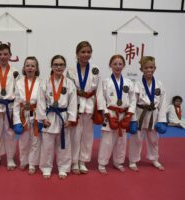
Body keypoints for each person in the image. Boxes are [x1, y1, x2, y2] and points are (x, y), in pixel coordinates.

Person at [37, 55, 77, 179]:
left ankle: (63, 168)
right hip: (49, 116)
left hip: (63, 116)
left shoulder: (69, 83)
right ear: (51, 66)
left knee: (64, 144)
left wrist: (71, 119)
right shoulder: (44, 82)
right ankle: (46, 167)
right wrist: (43, 118)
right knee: (47, 144)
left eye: (61, 65)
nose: (58, 67)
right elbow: (40, 101)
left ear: (64, 66)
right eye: (56, 64)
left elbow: (73, 102)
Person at [96, 54, 136, 174]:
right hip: (110, 113)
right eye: (115, 64)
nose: (118, 66)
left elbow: (133, 99)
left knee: (121, 139)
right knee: (107, 140)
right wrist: (107, 114)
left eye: (120, 64)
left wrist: (129, 115)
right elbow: (100, 98)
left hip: (123, 114)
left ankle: (118, 162)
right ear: (110, 66)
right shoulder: (105, 82)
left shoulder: (128, 82)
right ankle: (102, 163)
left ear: (123, 65)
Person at [66, 41, 100, 174]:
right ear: (77, 54)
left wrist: (100, 109)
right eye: (83, 52)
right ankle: (74, 162)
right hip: (76, 105)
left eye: (88, 52)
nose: (86, 54)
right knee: (75, 135)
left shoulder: (95, 69)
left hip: (90, 106)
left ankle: (83, 161)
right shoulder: (70, 70)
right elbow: (68, 90)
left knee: (87, 136)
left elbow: (99, 90)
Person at [129, 56, 167, 171]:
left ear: (155, 68)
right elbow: (133, 102)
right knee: (137, 138)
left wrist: (161, 120)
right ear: (141, 69)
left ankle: (154, 158)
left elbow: (163, 103)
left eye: (151, 67)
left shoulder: (159, 84)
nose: (149, 70)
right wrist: (133, 119)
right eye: (146, 68)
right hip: (140, 113)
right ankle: (133, 160)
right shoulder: (137, 84)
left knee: (153, 139)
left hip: (153, 115)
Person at [13, 56, 41, 175]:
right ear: (24, 68)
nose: (30, 68)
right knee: (23, 140)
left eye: (32, 66)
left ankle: (33, 163)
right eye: (27, 65)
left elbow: (43, 102)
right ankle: (23, 161)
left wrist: (41, 118)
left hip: (35, 114)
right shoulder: (19, 82)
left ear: (36, 68)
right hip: (23, 114)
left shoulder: (41, 82)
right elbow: (16, 102)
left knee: (35, 141)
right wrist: (16, 121)